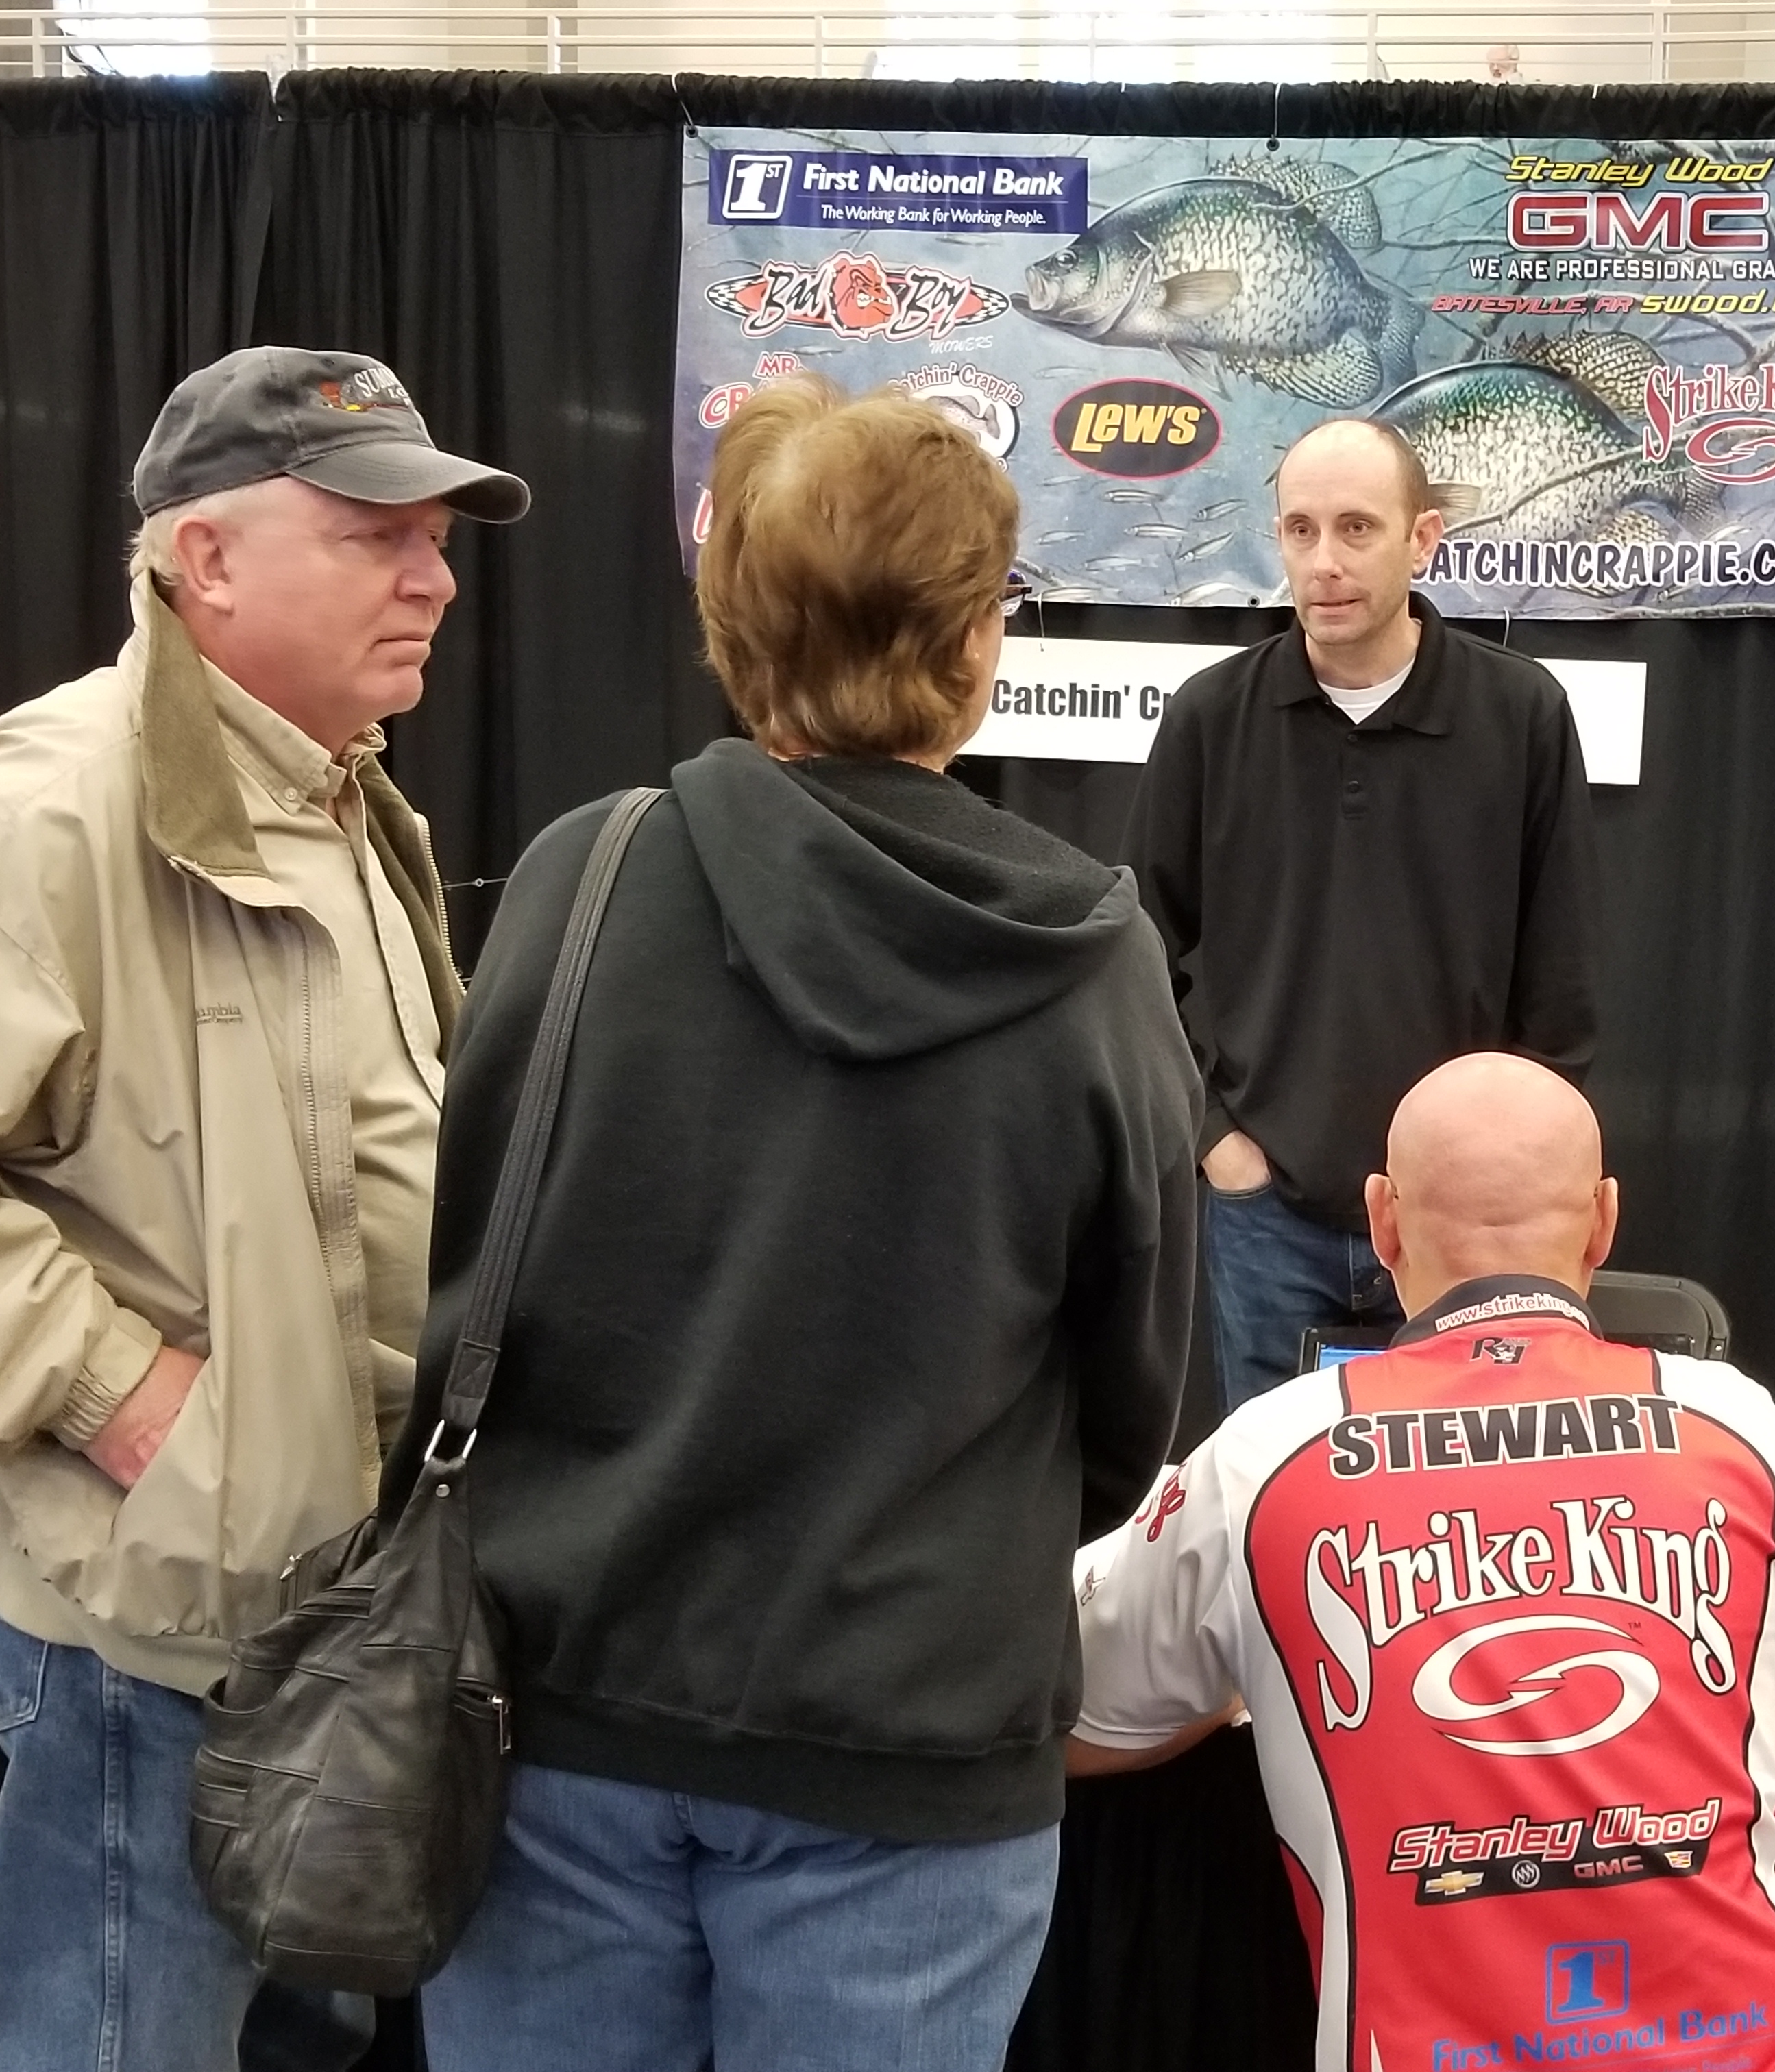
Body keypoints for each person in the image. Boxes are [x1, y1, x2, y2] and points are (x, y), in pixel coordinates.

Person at [393, 375, 1203, 2072]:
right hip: (908, 1738)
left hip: (560, 1716)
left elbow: (466, 1262)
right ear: (980, 641)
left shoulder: (584, 872)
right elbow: (1137, 1392)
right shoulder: (1089, 959)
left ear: (733, 627)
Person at [1068, 1054, 1775, 2072]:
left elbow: (1071, 1719)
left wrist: (1249, 1666)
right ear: (1604, 1222)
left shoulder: (1261, 1459)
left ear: (1385, 1220)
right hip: (1755, 2053)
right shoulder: (1740, 1426)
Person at [0, 347, 527, 2071]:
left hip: (329, 1630)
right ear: (203, 560)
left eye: (440, 537)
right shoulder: (58, 805)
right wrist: (114, 1393)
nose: (435, 574)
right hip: (141, 1648)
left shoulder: (345, 799)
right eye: (377, 529)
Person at [1123, 419, 1600, 1414]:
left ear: (1423, 539)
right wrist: (1217, 1139)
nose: (1325, 563)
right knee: (1277, 1518)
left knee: (1465, 1530)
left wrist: (1514, 1187)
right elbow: (1132, 955)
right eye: (1299, 530)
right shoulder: (1212, 720)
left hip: (1467, 1224)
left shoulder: (1520, 715)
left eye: (1356, 528)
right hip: (1270, 1220)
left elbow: (1559, 989)